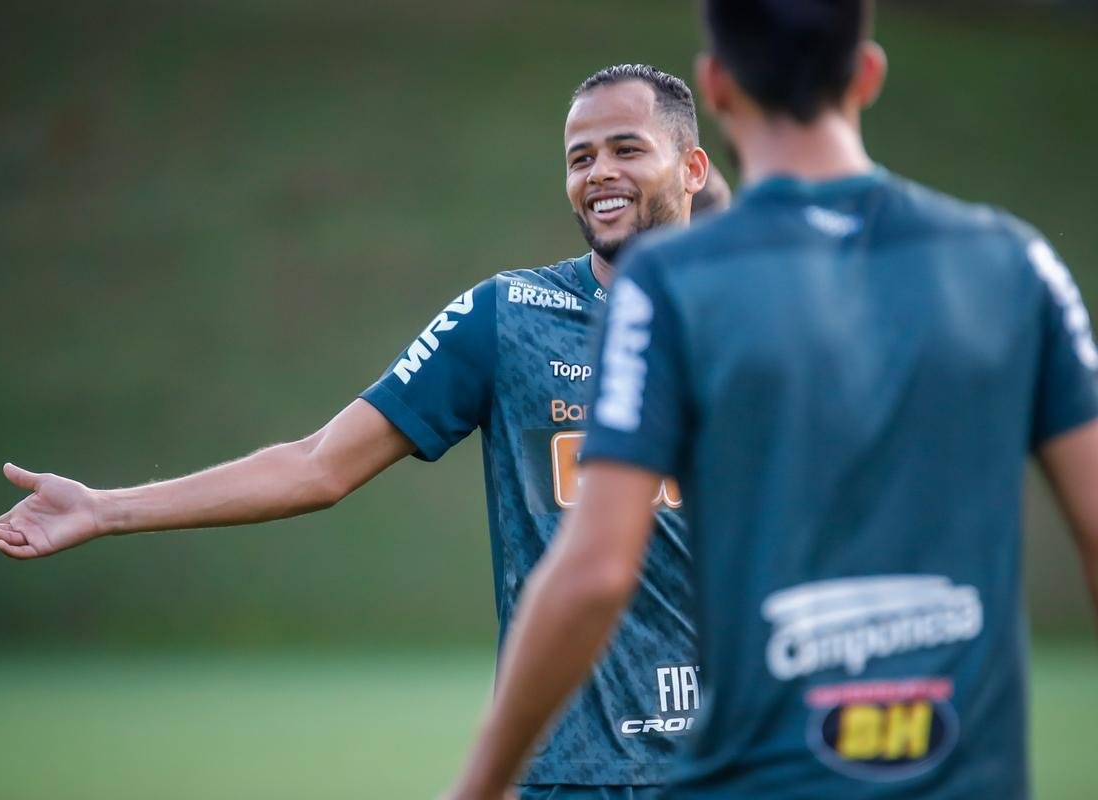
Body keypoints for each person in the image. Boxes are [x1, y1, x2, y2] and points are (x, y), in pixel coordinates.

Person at [0, 65, 727, 799]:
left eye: (628, 148)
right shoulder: (509, 316)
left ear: (692, 169)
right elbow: (316, 466)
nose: (599, 173)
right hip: (574, 772)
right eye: (580, 156)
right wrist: (104, 508)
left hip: (743, 757)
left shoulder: (769, 320)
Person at [444, 3, 1098, 799]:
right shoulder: (1016, 266)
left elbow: (593, 573)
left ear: (717, 88)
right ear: (868, 74)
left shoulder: (675, 284)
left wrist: (478, 786)